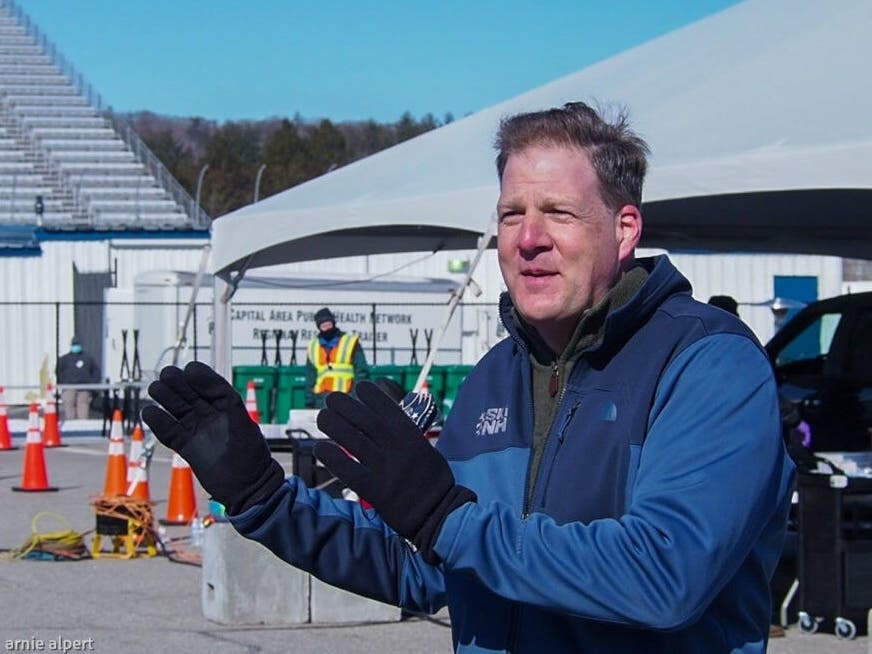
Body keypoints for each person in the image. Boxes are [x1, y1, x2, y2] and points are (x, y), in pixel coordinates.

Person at [143, 102, 795, 653]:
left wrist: (445, 519)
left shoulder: (709, 363)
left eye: (559, 213)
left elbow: (665, 572)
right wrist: (266, 498)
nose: (529, 238)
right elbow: (428, 566)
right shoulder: (495, 377)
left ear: (624, 230)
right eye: (512, 214)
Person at [304, 307, 370, 408]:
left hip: (346, 395)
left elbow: (361, 371)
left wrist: (356, 395)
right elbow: (310, 376)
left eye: (329, 324)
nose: (327, 328)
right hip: (322, 399)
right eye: (323, 326)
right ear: (319, 327)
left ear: (334, 323)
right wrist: (310, 400)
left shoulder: (349, 342)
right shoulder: (313, 346)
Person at [56, 336, 101, 419]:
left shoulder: (88, 358)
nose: (76, 346)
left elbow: (96, 371)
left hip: (84, 388)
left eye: (77, 344)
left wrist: (91, 384)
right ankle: (70, 428)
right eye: (74, 344)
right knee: (69, 407)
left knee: (83, 409)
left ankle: (83, 428)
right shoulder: (64, 359)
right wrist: (63, 383)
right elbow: (58, 372)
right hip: (68, 387)